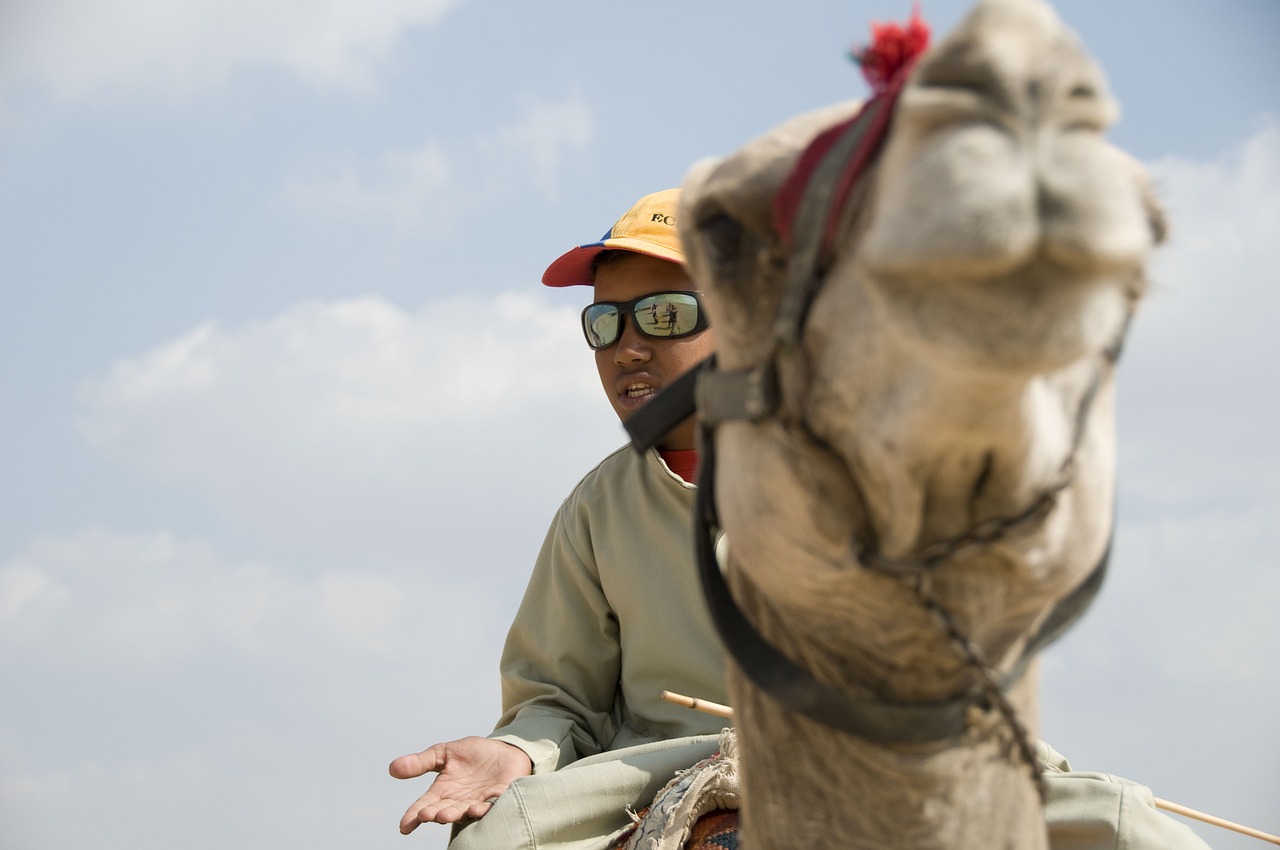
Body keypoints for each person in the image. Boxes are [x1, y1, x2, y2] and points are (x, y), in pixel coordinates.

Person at [389, 189, 1211, 850]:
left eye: (665, 316)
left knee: (1125, 825)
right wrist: (516, 751)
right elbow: (558, 699)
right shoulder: (597, 510)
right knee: (499, 837)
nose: (627, 347)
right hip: (658, 764)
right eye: (603, 324)